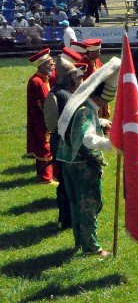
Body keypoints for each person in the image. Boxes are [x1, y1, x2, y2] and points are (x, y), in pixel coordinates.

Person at [55, 57, 120, 258]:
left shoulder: (79, 103)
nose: (104, 104)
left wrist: (100, 121)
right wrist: (111, 145)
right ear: (99, 97)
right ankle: (92, 248)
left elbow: (76, 125)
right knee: (88, 205)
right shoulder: (85, 111)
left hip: (67, 161)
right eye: (104, 101)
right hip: (82, 164)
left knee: (75, 205)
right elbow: (87, 139)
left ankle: (80, 242)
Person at [44, 48, 86, 230]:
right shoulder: (66, 96)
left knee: (62, 181)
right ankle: (69, 218)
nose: (75, 78)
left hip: (56, 141)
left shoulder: (54, 91)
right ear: (68, 77)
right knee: (69, 182)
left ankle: (64, 218)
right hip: (66, 143)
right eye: (73, 76)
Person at [26, 49, 55, 183]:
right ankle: (45, 177)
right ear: (42, 65)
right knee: (44, 146)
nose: (53, 65)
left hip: (43, 118)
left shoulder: (43, 79)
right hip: (41, 120)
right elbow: (44, 103)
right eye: (50, 63)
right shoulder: (37, 81)